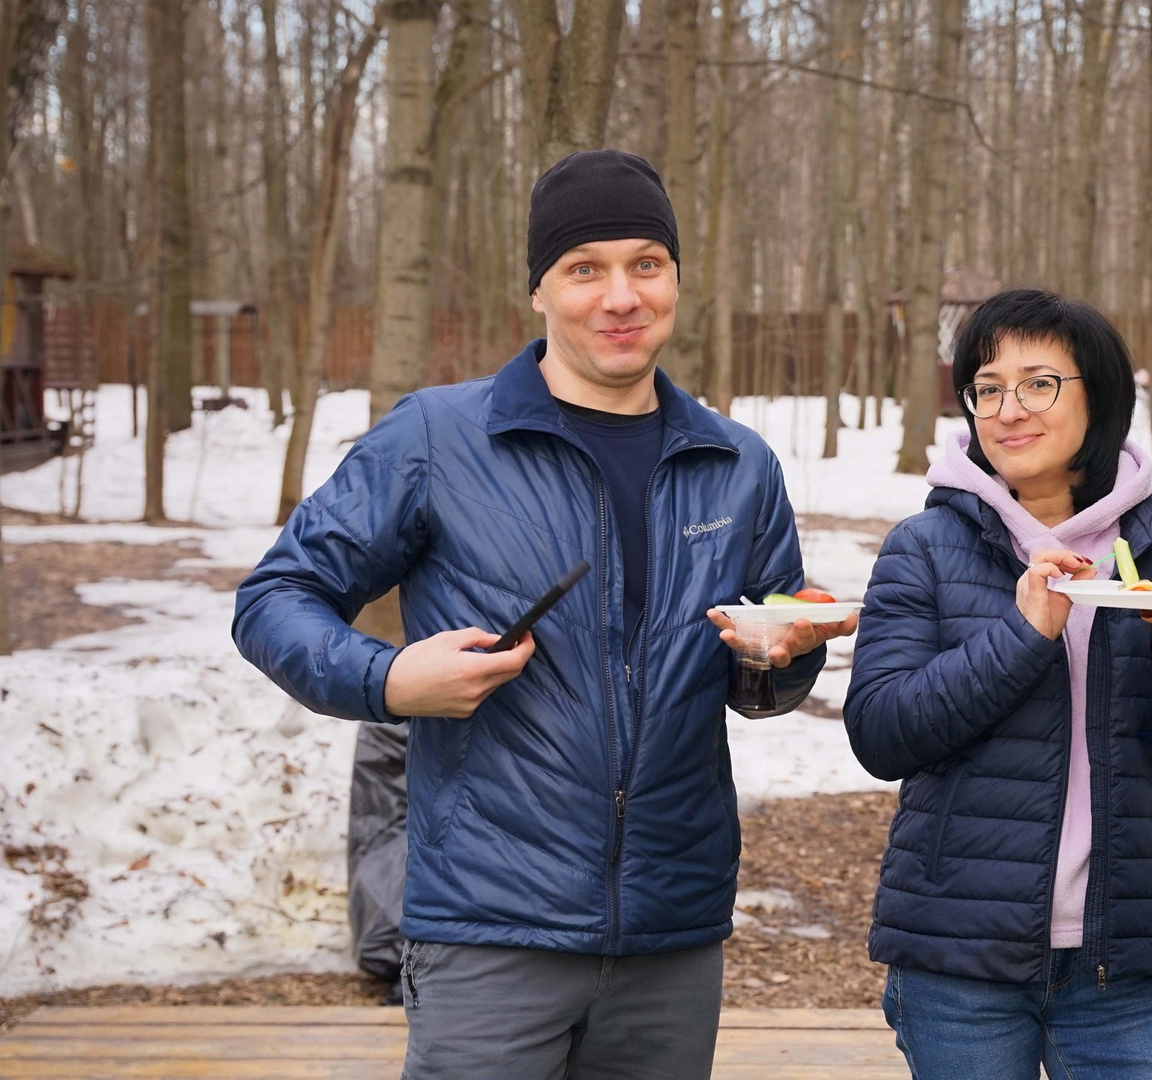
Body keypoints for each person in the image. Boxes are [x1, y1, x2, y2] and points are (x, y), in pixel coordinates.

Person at [232, 149, 852, 1080]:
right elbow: (275, 597)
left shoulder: (738, 464)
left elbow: (755, 687)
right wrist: (390, 679)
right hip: (489, 930)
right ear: (539, 290)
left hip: (672, 937)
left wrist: (784, 654)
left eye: (646, 264)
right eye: (584, 268)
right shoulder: (438, 438)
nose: (621, 296)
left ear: (676, 279)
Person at [843, 289, 1152, 1079]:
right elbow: (882, 734)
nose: (1008, 410)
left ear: (1101, 395)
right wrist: (1023, 635)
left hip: (1116, 965)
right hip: (959, 960)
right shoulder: (925, 548)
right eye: (988, 388)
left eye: (1038, 384)